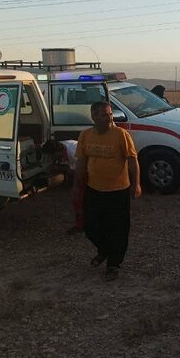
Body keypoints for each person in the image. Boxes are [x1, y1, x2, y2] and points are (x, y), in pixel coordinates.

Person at [73, 101, 142, 281]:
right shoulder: (86, 136)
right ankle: (104, 250)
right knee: (90, 226)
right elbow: (81, 162)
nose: (109, 118)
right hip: (94, 189)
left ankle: (114, 264)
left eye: (110, 114)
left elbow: (133, 161)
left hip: (118, 190)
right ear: (94, 117)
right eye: (104, 115)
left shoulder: (121, 135)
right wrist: (76, 186)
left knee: (118, 228)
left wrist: (137, 184)